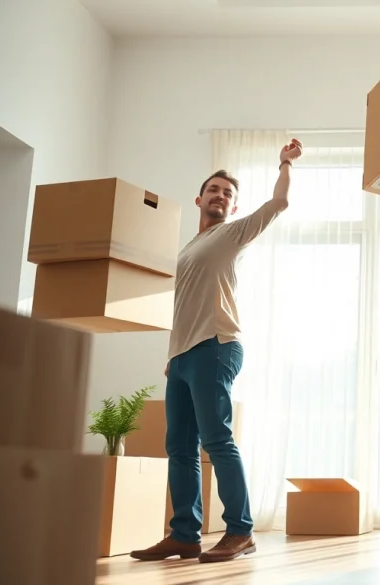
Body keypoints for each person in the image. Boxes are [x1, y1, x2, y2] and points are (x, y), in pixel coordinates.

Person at [131, 138, 303, 563]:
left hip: (217, 345)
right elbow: (181, 305)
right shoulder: (187, 249)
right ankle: (184, 534)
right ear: (199, 198)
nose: (221, 196)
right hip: (183, 355)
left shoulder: (233, 233)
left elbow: (279, 203)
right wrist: (172, 356)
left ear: (234, 207)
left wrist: (285, 164)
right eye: (215, 190)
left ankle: (240, 531)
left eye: (229, 194)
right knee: (180, 447)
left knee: (217, 440)